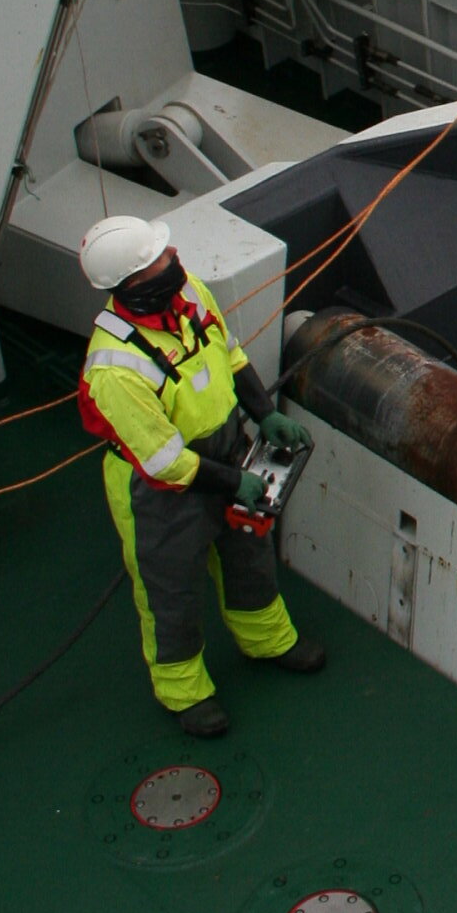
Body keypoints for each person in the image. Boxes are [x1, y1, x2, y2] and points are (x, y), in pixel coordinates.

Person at [77, 214, 322, 738]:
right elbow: (164, 462)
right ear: (132, 283)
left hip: (226, 450)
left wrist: (264, 414)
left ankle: (268, 639)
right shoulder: (114, 367)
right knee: (171, 590)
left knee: (249, 553)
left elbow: (230, 356)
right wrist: (236, 484)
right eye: (160, 260)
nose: (173, 262)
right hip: (158, 492)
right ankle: (184, 691)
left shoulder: (190, 293)